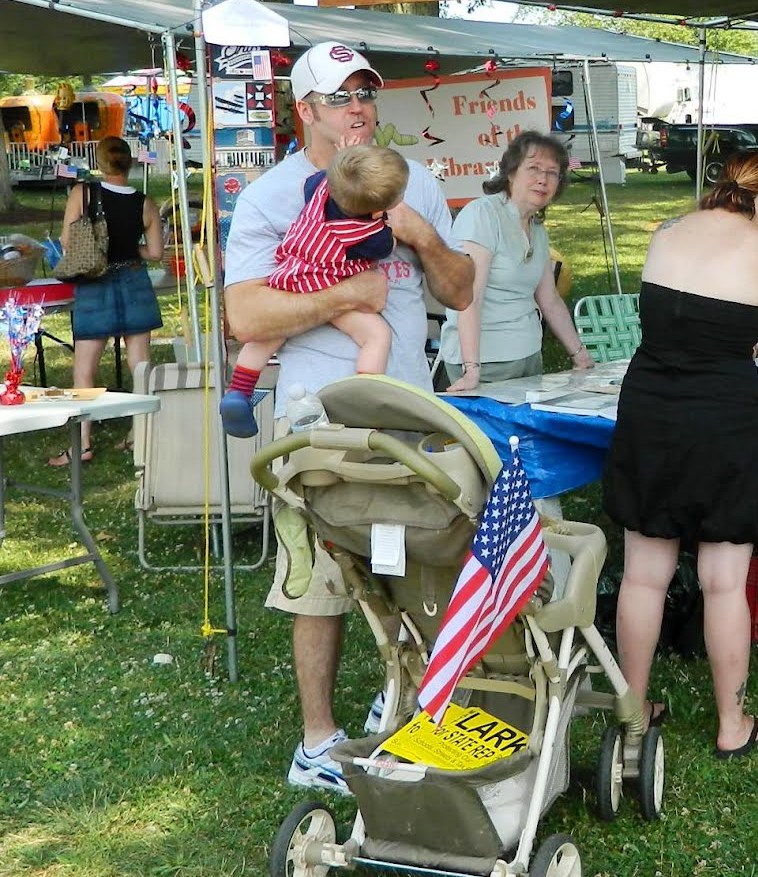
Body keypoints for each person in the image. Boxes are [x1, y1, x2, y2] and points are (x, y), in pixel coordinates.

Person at [224, 41, 473, 794]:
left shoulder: (413, 179)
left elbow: (459, 292)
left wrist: (424, 237)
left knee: (423, 560)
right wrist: (347, 297)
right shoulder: (272, 195)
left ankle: (411, 706)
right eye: (341, 98)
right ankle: (317, 741)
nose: (360, 108)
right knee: (321, 580)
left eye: (366, 93)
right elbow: (246, 314)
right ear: (306, 112)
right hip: (318, 421)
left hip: (406, 409)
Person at [602, 152, 758, 758]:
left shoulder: (667, 234)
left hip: (649, 406)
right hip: (726, 418)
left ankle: (635, 709)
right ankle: (732, 723)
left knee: (643, 576)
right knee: (724, 582)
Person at [219, 145, 410, 438]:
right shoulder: (368, 235)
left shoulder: (319, 187)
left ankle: (239, 391)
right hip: (331, 284)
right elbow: (388, 247)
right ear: (377, 210)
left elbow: (319, 179)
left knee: (271, 334)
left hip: (290, 272)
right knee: (376, 335)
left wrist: (348, 162)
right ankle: (365, 393)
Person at [440, 131, 594, 392]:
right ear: (510, 173)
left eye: (552, 173)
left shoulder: (536, 228)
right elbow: (469, 299)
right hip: (487, 364)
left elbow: (550, 299)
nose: (543, 179)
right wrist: (471, 370)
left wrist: (580, 356)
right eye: (533, 168)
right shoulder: (482, 215)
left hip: (528, 358)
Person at [47, 135, 164, 466]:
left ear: (100, 162)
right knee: (140, 364)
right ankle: (140, 433)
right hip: (133, 278)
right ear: (129, 163)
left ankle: (83, 442)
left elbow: (69, 240)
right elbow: (155, 252)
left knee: (84, 368)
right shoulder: (145, 202)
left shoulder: (82, 193)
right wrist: (130, 248)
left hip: (95, 282)